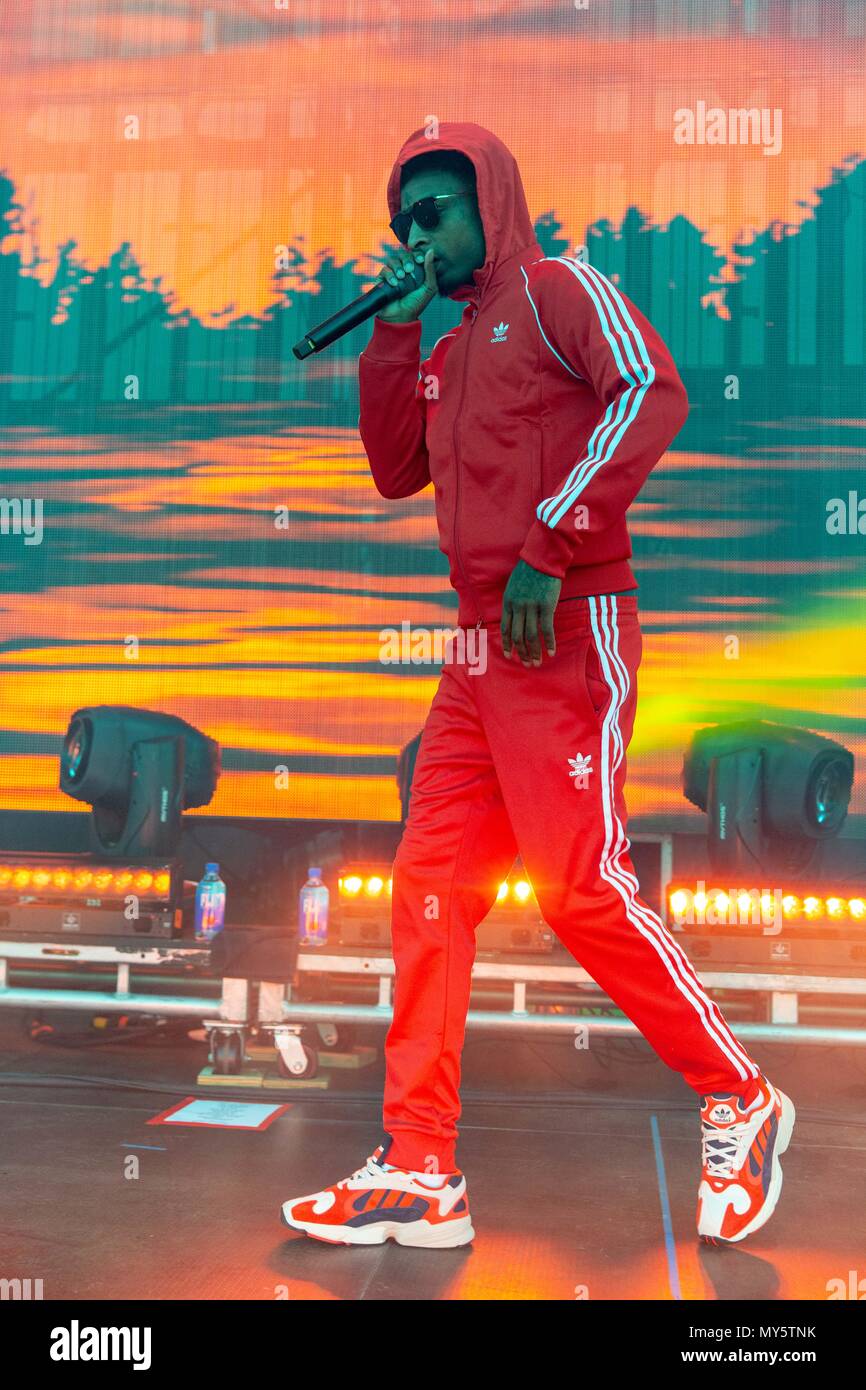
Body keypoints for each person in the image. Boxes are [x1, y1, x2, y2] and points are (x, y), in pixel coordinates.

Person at [281, 121, 795, 1250]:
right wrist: (396, 336)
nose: (416, 234)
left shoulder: (559, 287)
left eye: (435, 212)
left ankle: (738, 1095)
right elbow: (388, 470)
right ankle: (419, 1166)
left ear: (489, 204)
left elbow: (649, 392)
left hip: (563, 626)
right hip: (475, 656)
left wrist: (549, 544)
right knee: (427, 892)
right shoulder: (442, 344)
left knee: (575, 887)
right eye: (401, 220)